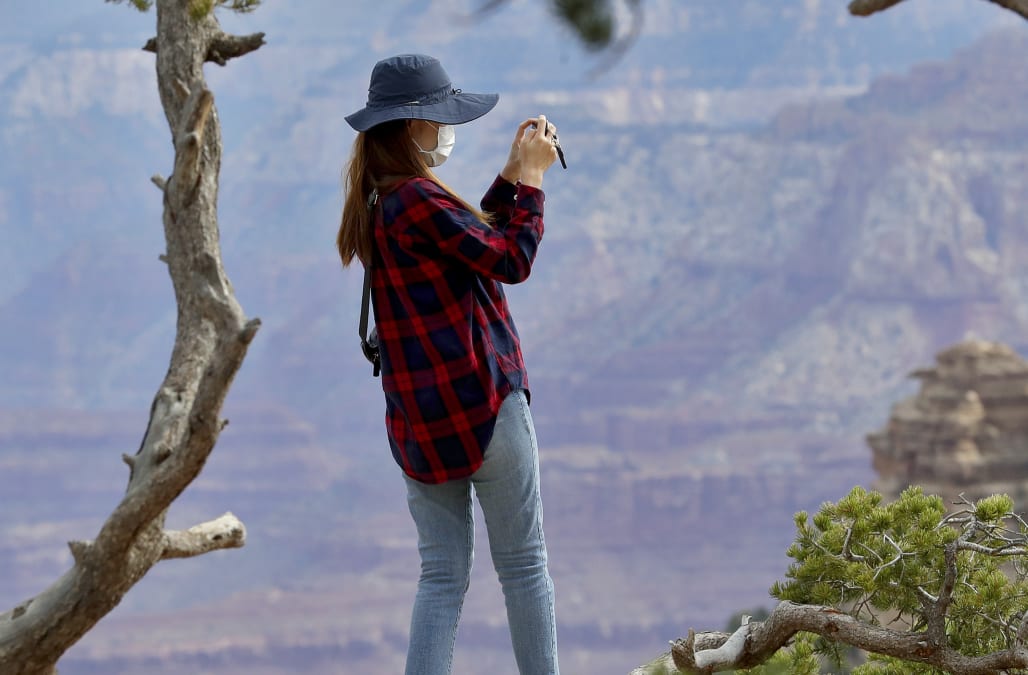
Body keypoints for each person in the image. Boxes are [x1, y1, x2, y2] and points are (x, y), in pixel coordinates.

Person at [336, 53, 560, 675]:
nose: (449, 130)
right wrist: (535, 184)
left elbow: (469, 238)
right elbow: (510, 259)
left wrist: (512, 175)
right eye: (442, 119)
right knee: (524, 566)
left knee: (440, 578)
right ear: (414, 127)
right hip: (486, 410)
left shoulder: (382, 202)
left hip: (419, 426)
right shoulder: (418, 199)